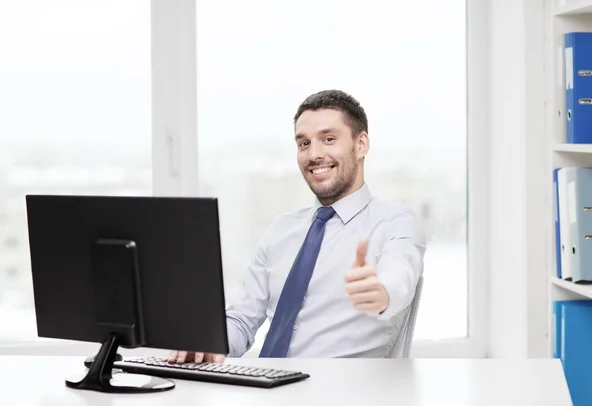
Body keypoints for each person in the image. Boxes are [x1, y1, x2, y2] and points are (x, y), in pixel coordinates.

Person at [168, 89, 426, 364]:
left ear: (361, 144)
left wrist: (380, 293)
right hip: (265, 389)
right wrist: (207, 340)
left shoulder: (395, 222)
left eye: (328, 139)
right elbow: (243, 319)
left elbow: (400, 277)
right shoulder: (282, 230)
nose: (314, 154)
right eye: (304, 143)